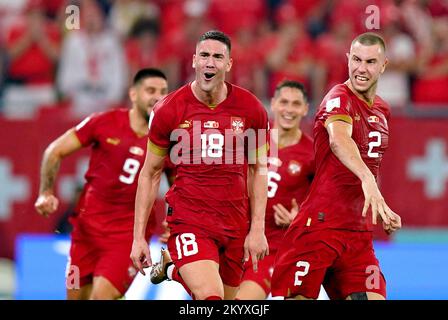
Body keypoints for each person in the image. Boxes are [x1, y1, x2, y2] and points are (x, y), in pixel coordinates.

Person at [130, 30, 270, 300]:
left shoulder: (252, 109)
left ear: (229, 64)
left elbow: (259, 169)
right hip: (190, 220)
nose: (210, 62)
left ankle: (172, 267)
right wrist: (138, 238)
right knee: (210, 296)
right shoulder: (168, 110)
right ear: (193, 60)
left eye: (218, 57)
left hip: (234, 223)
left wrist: (257, 229)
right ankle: (176, 264)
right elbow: (150, 173)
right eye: (204, 55)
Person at [271, 32, 402, 300]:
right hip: (318, 227)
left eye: (370, 62)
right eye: (356, 60)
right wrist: (368, 181)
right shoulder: (338, 97)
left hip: (358, 234)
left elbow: (368, 164)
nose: (361, 69)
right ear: (347, 59)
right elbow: (339, 140)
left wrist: (381, 205)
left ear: (384, 65)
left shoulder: (382, 110)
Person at [34, 68, 169, 299]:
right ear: (133, 94)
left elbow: (179, 185)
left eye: (163, 92)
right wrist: (45, 192)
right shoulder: (104, 122)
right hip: (85, 233)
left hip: (127, 237)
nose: (157, 97)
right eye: (150, 90)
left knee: (101, 297)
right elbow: (54, 151)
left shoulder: (167, 140)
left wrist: (173, 222)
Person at [235, 80, 314, 300]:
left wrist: (300, 220)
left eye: (296, 104)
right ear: (273, 104)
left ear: (306, 108)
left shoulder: (312, 155)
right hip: (235, 242)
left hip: (273, 249)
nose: (289, 109)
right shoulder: (251, 141)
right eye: (284, 102)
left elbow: (324, 203)